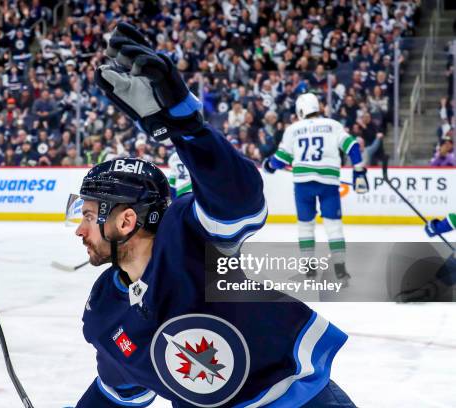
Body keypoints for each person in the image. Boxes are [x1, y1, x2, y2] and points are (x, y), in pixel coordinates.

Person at [73, 23, 355, 408]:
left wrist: (184, 124)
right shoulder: (106, 306)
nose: (79, 229)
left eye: (89, 215)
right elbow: (119, 391)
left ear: (126, 221)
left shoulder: (188, 235)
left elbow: (239, 199)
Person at [263, 93, 369, 281]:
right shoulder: (333, 125)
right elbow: (353, 147)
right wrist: (358, 171)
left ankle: (310, 269)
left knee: (305, 226)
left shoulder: (293, 129)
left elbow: (280, 160)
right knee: (334, 227)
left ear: (301, 110)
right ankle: (340, 269)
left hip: (303, 185)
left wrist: (268, 166)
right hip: (328, 184)